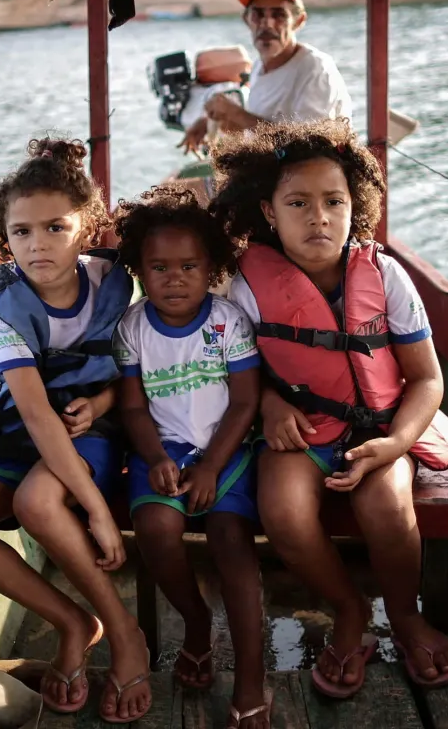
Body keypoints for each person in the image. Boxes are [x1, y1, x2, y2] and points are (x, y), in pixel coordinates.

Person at [210, 119, 448, 699]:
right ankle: (348, 613)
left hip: (382, 428)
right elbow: (235, 371)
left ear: (356, 207)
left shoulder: (385, 274)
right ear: (269, 212)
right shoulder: (244, 286)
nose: (317, 216)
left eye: (333, 201)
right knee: (284, 512)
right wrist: (270, 404)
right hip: (302, 427)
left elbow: (426, 379)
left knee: (388, 508)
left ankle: (404, 615)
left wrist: (396, 444)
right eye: (298, 202)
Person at [0, 138, 153, 724]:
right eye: (23, 232)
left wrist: (105, 396)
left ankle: (126, 635)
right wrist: (100, 513)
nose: (38, 245)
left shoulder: (112, 279)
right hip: (18, 429)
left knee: (37, 498)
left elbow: (136, 360)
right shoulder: (5, 303)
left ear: (87, 228)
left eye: (56, 227)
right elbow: (31, 413)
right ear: (6, 237)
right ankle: (73, 621)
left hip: (90, 428)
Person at [111, 186, 269, 729]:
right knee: (154, 527)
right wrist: (155, 457)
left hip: (228, 450)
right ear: (138, 270)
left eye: (188, 266)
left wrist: (210, 466)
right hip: (166, 450)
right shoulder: (132, 329)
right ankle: (196, 623)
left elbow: (246, 401)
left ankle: (250, 679)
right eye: (158, 267)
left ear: (211, 268)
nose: (174, 278)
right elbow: (133, 409)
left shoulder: (227, 322)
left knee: (231, 541)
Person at [179, 0, 351, 153]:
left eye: (279, 15)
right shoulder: (259, 68)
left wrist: (236, 113)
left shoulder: (315, 68)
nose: (267, 24)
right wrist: (211, 122)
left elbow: (310, 147)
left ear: (298, 22)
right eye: (258, 14)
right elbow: (260, 129)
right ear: (247, 20)